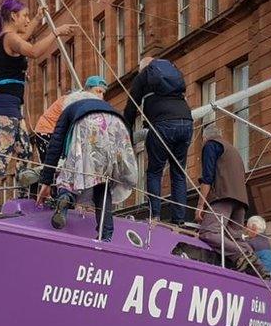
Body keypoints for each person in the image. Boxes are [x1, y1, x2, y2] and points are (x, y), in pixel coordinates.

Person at [0, 0, 76, 213]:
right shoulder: (10, 38)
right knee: (5, 150)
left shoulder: (8, 37)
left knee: (24, 150)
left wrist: (36, 19)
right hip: (4, 104)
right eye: (23, 16)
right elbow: (33, 51)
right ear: (13, 16)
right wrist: (56, 32)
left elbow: (24, 36)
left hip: (13, 103)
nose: (25, 20)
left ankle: (24, 195)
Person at [36, 91, 138, 242]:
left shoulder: (70, 109)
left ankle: (65, 197)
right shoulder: (105, 105)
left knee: (71, 169)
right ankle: (106, 233)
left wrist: (45, 181)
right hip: (117, 124)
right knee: (103, 181)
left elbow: (55, 145)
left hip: (87, 123)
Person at [123, 56, 193, 225]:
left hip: (162, 125)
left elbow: (131, 108)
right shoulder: (174, 76)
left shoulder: (142, 77)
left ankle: (154, 215)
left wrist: (126, 133)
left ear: (144, 68)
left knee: (155, 171)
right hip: (186, 121)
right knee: (178, 172)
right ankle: (179, 219)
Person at [194, 124, 266, 276]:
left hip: (223, 196)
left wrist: (200, 205)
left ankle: (242, 255)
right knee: (235, 237)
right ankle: (260, 268)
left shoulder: (211, 145)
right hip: (241, 201)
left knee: (208, 232)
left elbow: (207, 178)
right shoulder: (233, 151)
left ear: (205, 137)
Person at [33, 75, 109, 163]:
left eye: (103, 93)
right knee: (54, 164)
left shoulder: (81, 101)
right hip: (47, 131)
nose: (101, 96)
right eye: (98, 91)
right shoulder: (75, 100)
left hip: (55, 131)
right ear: (88, 89)